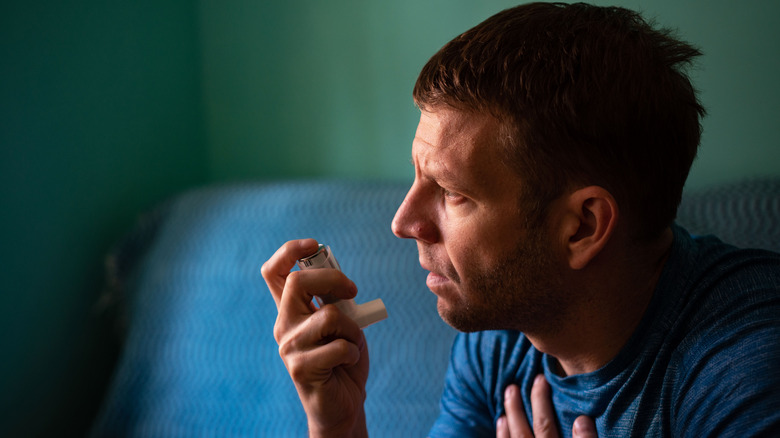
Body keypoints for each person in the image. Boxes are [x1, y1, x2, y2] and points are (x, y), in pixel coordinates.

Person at [262, 2, 780, 437]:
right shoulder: (503, 333)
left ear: (581, 227)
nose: (403, 222)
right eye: (418, 178)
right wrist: (340, 423)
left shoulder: (748, 371)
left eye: (451, 192)